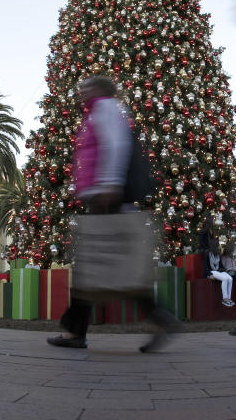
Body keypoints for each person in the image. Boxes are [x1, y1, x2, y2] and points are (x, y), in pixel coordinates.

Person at [47, 76, 178, 352]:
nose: (82, 91)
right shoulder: (99, 111)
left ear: (101, 90)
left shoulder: (105, 108)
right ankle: (158, 319)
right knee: (108, 267)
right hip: (102, 198)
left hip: (106, 200)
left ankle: (77, 332)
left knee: (96, 266)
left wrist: (110, 183)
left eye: (88, 87)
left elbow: (116, 145)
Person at [202, 226, 235, 306]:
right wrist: (209, 275)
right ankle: (225, 299)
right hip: (212, 272)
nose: (218, 247)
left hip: (218, 271)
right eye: (217, 245)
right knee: (224, 279)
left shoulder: (217, 255)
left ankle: (228, 299)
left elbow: (220, 266)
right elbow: (205, 267)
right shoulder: (207, 254)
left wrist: (225, 271)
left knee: (230, 278)